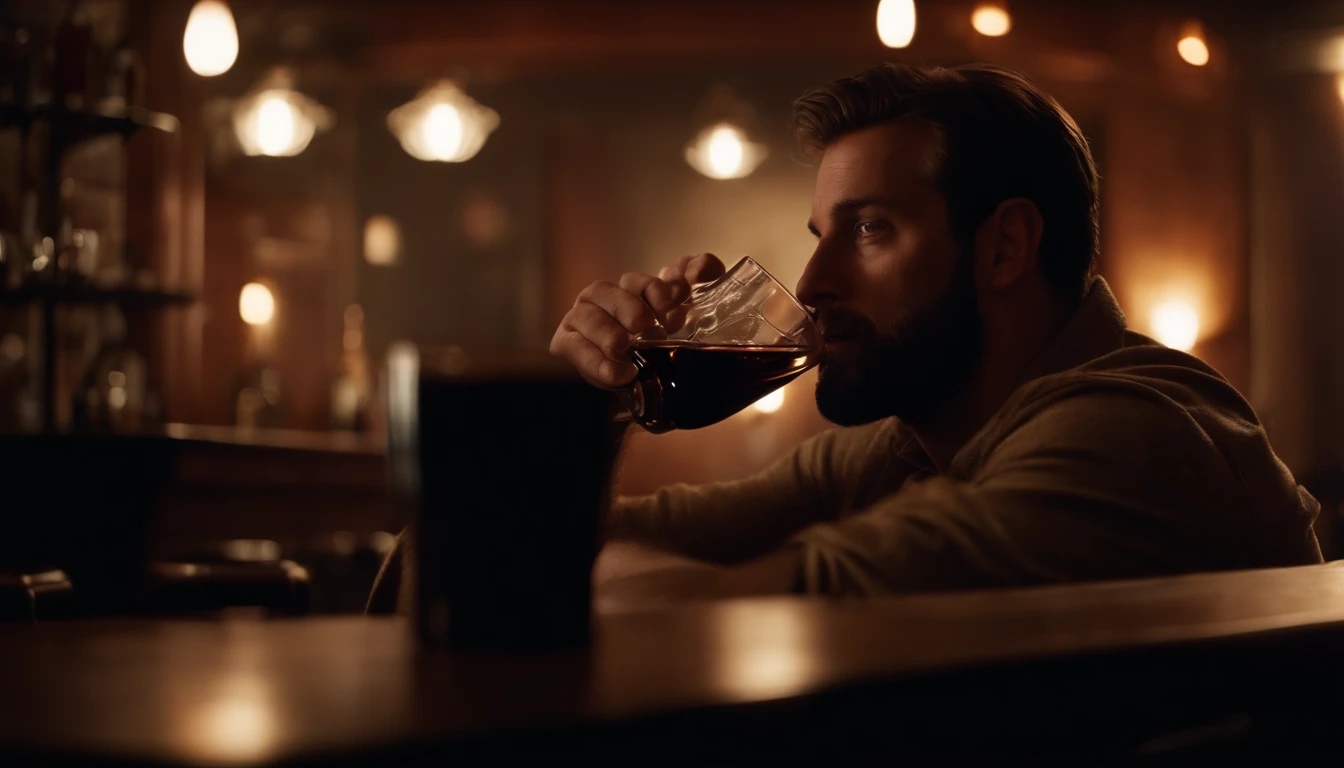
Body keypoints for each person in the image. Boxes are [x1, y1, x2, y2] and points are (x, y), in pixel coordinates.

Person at [547, 62, 1323, 600]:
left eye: (871, 228)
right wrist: (585, 405)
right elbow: (470, 564)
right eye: (821, 234)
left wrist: (594, 579)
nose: (813, 285)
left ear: (1003, 247)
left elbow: (729, 612)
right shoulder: (904, 448)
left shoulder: (1135, 431)